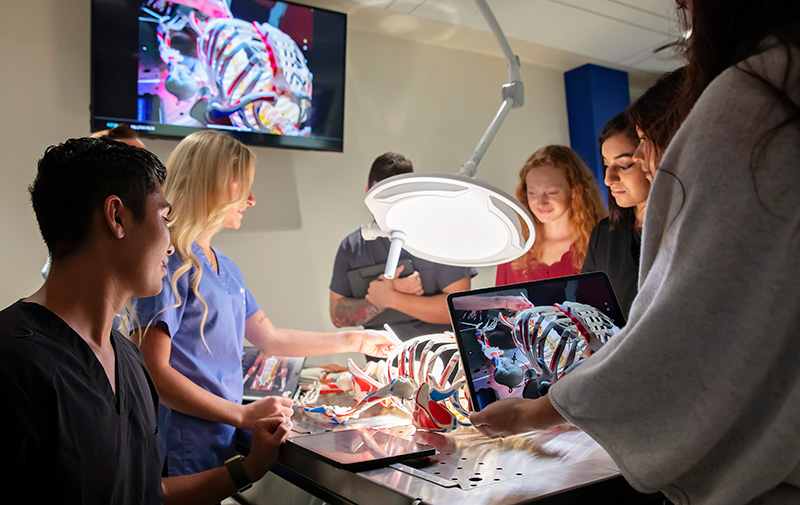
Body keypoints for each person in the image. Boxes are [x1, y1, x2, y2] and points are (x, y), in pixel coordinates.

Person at [470, 1, 800, 504]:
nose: (639, 166)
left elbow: (671, 338)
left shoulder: (753, 101)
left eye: (641, 150)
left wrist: (537, 412)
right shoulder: (606, 236)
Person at [0, 137, 291, 504]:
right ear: (117, 217)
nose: (171, 244)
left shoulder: (130, 361)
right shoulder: (16, 365)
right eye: (164, 217)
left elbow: (149, 493)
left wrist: (249, 469)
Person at [131, 131, 397, 477]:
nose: (253, 200)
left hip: (218, 435)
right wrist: (242, 414)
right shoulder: (171, 265)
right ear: (213, 183)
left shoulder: (223, 266)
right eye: (246, 188)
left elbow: (269, 339)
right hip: (183, 442)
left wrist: (356, 339)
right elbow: (154, 372)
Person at [329, 152, 477, 341]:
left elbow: (459, 309)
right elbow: (337, 316)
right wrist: (377, 299)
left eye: (396, 196)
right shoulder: (352, 247)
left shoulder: (440, 240)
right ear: (368, 193)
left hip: (439, 358)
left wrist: (392, 298)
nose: (388, 205)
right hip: (380, 361)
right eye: (381, 196)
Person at [495, 145, 605, 286]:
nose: (541, 202)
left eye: (552, 192)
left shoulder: (599, 245)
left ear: (574, 191)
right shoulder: (516, 248)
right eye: (532, 193)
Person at [581, 112, 651, 318]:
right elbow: (587, 311)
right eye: (606, 165)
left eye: (624, 165)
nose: (608, 179)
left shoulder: (684, 232)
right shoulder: (604, 234)